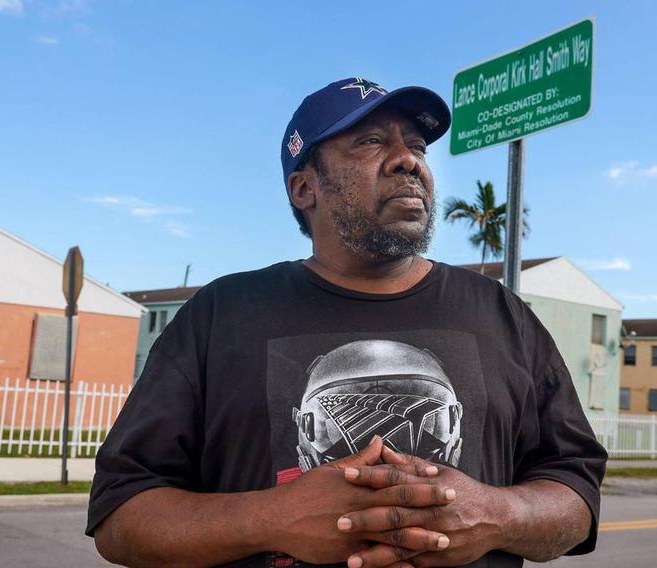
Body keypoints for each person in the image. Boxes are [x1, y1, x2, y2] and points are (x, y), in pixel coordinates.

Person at [87, 76, 607, 568]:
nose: (408, 161)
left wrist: (496, 517)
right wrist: (272, 518)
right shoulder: (221, 315)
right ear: (304, 187)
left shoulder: (503, 316)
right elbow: (121, 516)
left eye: (418, 147)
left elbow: (575, 495)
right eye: (371, 141)